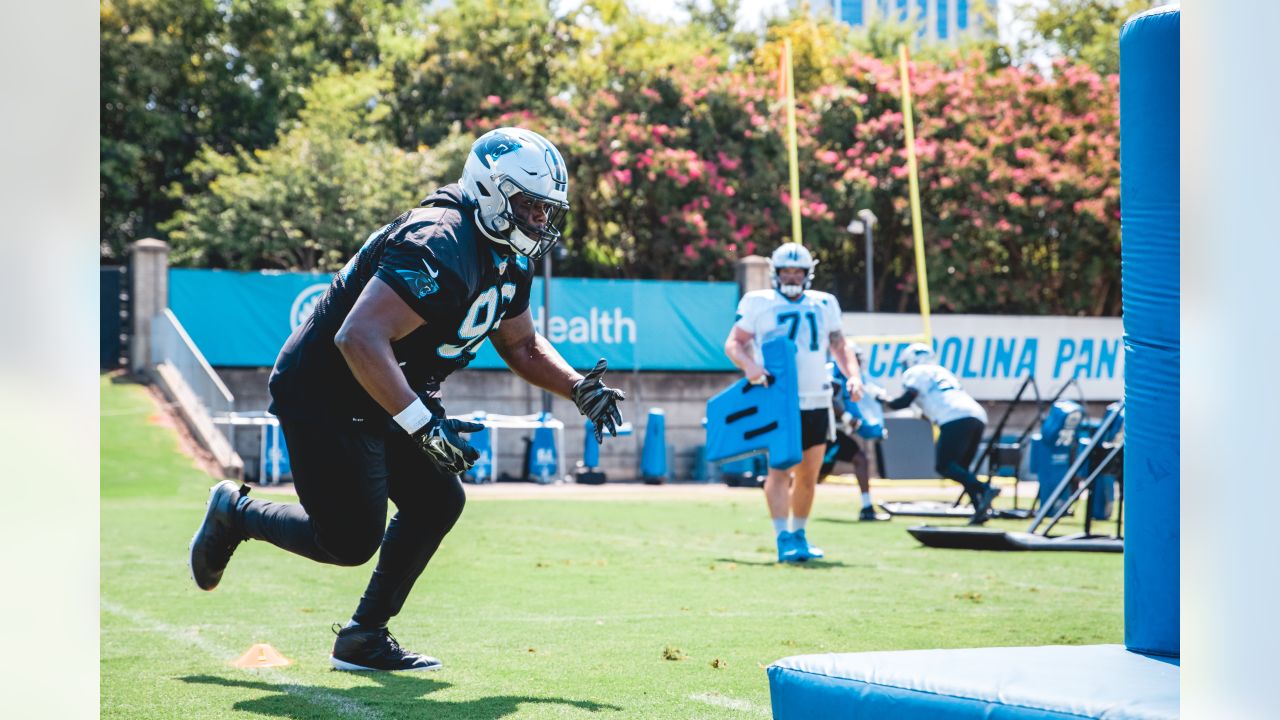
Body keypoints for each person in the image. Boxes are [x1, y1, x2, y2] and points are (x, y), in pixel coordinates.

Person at [188, 127, 626, 671]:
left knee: (438, 501)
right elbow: (358, 338)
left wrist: (577, 387)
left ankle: (363, 637)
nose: (539, 220)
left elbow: (522, 343)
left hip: (390, 389)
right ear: (491, 190)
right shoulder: (439, 239)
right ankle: (236, 512)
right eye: (529, 205)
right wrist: (422, 424)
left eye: (546, 209)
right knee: (348, 542)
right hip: (328, 388)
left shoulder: (510, 256)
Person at [724, 242, 864, 563]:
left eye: (797, 271)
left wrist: (853, 376)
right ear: (775, 273)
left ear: (807, 273)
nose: (791, 276)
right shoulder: (758, 302)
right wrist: (750, 366)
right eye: (786, 271)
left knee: (808, 474)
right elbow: (734, 343)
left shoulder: (824, 303)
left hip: (817, 399)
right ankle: (781, 536)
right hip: (780, 400)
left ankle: (799, 533)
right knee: (779, 471)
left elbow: (839, 345)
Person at [876, 342, 998, 524]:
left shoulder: (916, 372)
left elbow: (904, 401)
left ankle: (984, 489)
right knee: (961, 469)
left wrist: (883, 399)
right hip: (976, 415)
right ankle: (980, 509)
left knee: (944, 466)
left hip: (954, 417)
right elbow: (927, 410)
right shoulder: (941, 372)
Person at [822, 359, 884, 522]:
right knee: (813, 476)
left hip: (837, 433)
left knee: (860, 459)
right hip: (820, 431)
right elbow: (828, 398)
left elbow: (872, 401)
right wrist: (846, 417)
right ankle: (772, 484)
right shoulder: (831, 372)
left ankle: (867, 507)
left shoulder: (858, 378)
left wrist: (877, 426)